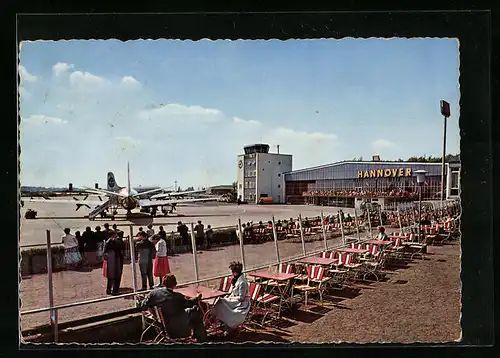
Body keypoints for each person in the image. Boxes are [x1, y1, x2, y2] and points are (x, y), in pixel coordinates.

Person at [137, 274, 207, 342]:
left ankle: (197, 333)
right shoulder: (177, 297)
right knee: (196, 310)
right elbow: (188, 303)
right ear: (175, 284)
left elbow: (143, 305)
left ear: (163, 283)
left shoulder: (154, 293)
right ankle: (201, 337)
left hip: (161, 323)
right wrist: (197, 298)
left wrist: (139, 301)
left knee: (192, 312)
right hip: (175, 326)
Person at [211, 261, 251, 336]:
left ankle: (227, 326)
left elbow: (241, 298)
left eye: (233, 272)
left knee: (221, 303)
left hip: (242, 304)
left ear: (236, 272)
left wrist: (229, 299)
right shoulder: (236, 279)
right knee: (220, 301)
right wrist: (228, 297)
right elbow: (233, 293)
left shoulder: (242, 282)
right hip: (236, 300)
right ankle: (221, 321)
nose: (232, 273)